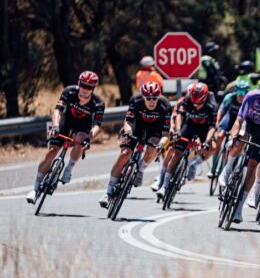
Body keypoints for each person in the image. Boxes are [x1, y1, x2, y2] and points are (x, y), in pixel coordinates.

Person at [27, 71, 105, 204]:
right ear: (79, 83)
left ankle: (69, 168)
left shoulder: (98, 103)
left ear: (94, 88)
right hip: (66, 122)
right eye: (83, 85)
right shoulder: (69, 92)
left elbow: (97, 125)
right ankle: (35, 189)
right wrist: (55, 126)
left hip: (83, 126)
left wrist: (88, 139)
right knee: (51, 152)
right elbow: (57, 110)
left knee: (80, 139)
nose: (85, 89)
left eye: (89, 87)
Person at [218, 76, 260, 223]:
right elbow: (239, 121)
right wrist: (233, 138)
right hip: (247, 124)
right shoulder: (252, 97)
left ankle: (239, 208)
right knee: (240, 140)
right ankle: (228, 168)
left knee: (252, 168)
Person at [99, 81, 170, 208]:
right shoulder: (136, 100)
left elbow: (165, 134)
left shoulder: (165, 106)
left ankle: (141, 170)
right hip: (137, 127)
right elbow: (128, 121)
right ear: (143, 96)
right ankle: (108, 192)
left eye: (154, 98)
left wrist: (161, 144)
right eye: (148, 98)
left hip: (155, 130)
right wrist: (128, 132)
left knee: (154, 147)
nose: (151, 101)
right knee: (125, 154)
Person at [155, 82, 217, 200]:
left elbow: (213, 127)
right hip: (190, 124)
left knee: (213, 147)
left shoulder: (212, 105)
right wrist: (178, 131)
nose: (196, 106)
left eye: (199, 104)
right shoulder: (188, 98)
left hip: (204, 127)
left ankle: (193, 164)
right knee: (176, 153)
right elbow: (179, 114)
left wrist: (206, 141)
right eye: (194, 103)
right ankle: (164, 186)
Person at [208, 79, 250, 178]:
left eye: (243, 92)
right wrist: (217, 122)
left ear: (246, 92)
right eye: (239, 92)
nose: (241, 95)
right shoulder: (229, 97)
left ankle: (232, 162)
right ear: (236, 91)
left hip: (241, 121)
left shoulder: (248, 101)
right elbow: (221, 111)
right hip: (230, 118)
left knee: (238, 141)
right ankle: (213, 169)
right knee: (220, 136)